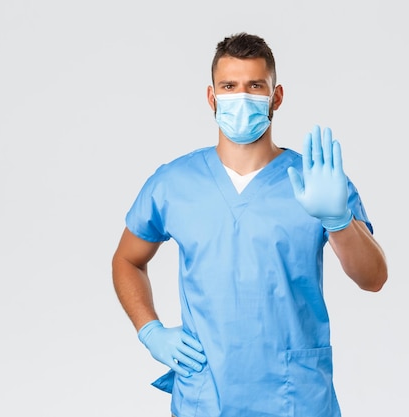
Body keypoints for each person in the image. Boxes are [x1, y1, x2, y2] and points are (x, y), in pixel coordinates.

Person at [111, 32, 388, 417]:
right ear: (212, 97)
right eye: (229, 86)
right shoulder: (174, 183)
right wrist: (150, 330)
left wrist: (338, 220)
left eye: (255, 86)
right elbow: (126, 259)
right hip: (206, 395)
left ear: (276, 97)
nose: (241, 97)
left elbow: (373, 278)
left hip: (296, 396)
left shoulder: (316, 181)